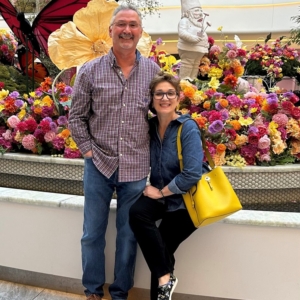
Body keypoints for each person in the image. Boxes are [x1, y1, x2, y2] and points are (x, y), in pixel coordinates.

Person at [68, 4, 160, 300]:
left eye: (133, 25)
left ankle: (120, 293)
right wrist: (88, 152)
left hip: (135, 167)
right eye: (121, 24)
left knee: (129, 235)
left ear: (140, 32)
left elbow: (161, 117)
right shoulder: (90, 71)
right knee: (91, 234)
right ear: (110, 31)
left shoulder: (153, 72)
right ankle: (93, 292)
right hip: (99, 165)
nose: (126, 30)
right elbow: (76, 117)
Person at [129, 71, 208, 300]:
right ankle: (166, 278)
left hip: (186, 202)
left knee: (161, 248)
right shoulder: (150, 127)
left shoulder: (187, 127)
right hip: (160, 197)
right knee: (137, 214)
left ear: (178, 97)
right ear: (152, 99)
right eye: (159, 93)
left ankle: (163, 282)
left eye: (170, 93)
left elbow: (192, 173)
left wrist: (161, 192)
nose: (165, 98)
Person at [177, 0, 209, 80]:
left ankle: (192, 82)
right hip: (188, 48)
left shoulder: (199, 24)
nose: (200, 12)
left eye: (200, 10)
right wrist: (193, 38)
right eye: (196, 10)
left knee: (195, 65)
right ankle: (184, 83)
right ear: (188, 12)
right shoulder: (185, 21)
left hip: (198, 50)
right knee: (188, 64)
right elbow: (182, 33)